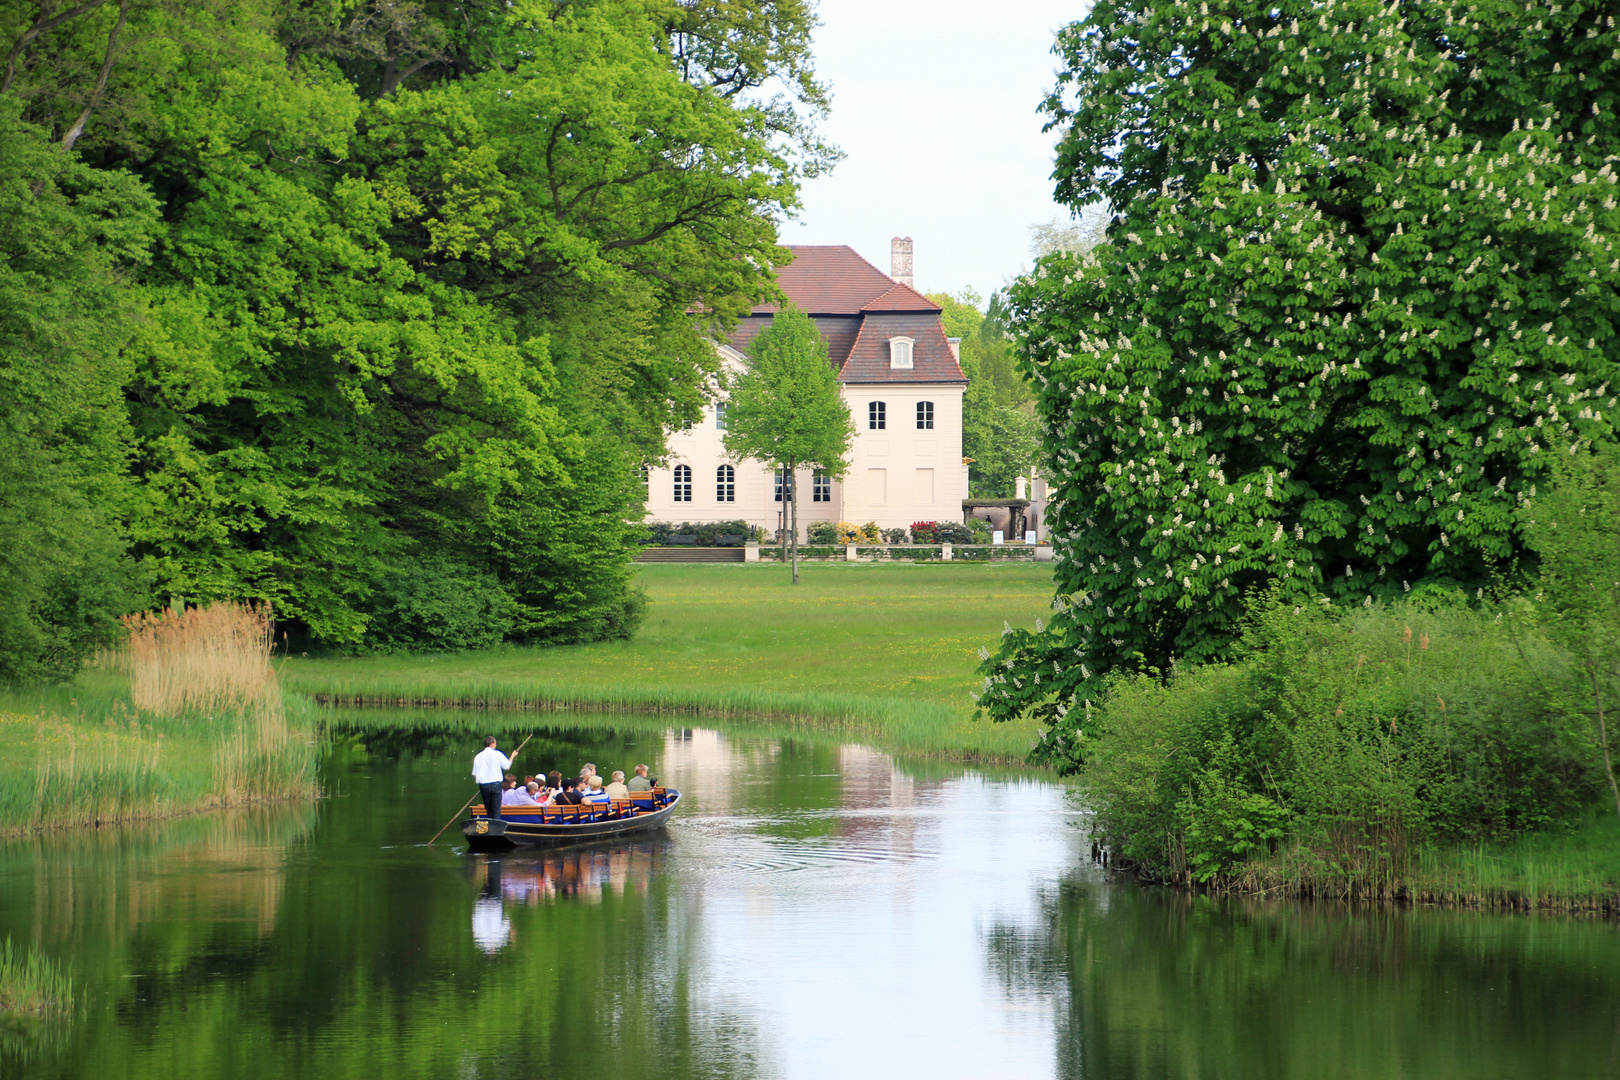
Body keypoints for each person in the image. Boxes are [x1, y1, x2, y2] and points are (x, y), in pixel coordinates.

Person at [472, 736, 512, 820]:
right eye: (495, 743)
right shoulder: (497, 754)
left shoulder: (478, 756)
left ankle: (490, 825)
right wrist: (512, 756)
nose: (496, 745)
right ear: (492, 744)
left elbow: (475, 774)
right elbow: (507, 766)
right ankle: (496, 826)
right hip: (496, 785)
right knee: (496, 808)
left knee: (488, 809)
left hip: (484, 786)